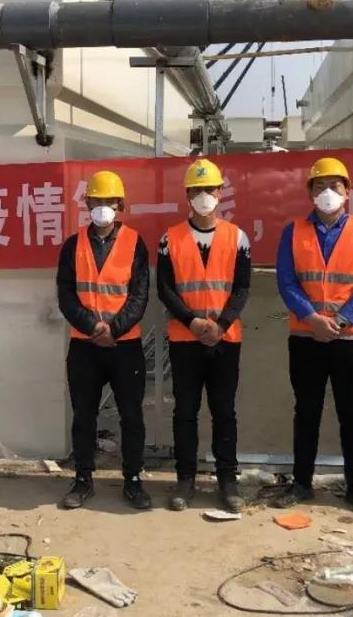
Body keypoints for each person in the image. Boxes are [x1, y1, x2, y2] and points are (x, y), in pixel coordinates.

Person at [274, 157, 353, 516]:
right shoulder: (293, 232)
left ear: (347, 192)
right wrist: (311, 318)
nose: (327, 193)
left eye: (334, 186)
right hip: (305, 338)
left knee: (352, 415)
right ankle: (301, 483)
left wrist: (339, 320)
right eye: (319, 186)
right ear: (309, 192)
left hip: (349, 340)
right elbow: (287, 281)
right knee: (306, 412)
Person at [157, 158, 251, 512]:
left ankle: (228, 480)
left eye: (209, 189)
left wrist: (221, 325)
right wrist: (191, 321)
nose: (203, 196)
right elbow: (165, 288)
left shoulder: (237, 237)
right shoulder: (169, 239)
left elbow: (241, 288)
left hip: (225, 339)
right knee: (185, 411)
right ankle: (185, 478)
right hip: (185, 340)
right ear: (187, 195)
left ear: (220, 192)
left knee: (224, 412)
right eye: (196, 190)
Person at [56, 170, 152, 510]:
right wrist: (92, 327)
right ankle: (83, 479)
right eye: (96, 200)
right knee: (83, 416)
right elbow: (66, 295)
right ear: (87, 205)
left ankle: (133, 480)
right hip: (84, 345)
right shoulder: (73, 246)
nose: (102, 206)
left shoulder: (135, 243)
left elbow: (139, 295)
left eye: (109, 201)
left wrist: (114, 329)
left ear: (120, 204)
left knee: (132, 416)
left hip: (125, 346)